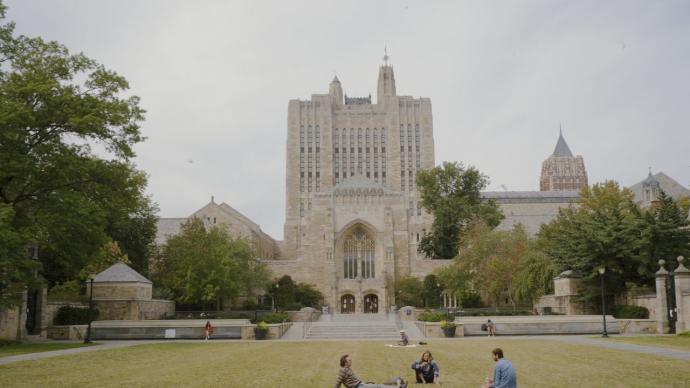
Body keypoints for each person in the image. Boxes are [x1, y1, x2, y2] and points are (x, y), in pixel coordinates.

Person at [334, 354, 407, 388]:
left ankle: (398, 384)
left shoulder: (347, 369)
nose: (351, 361)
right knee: (379, 386)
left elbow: (352, 380)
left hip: (360, 385)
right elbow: (338, 382)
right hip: (358, 386)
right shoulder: (342, 370)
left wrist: (363, 383)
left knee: (380, 385)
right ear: (345, 362)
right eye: (349, 360)